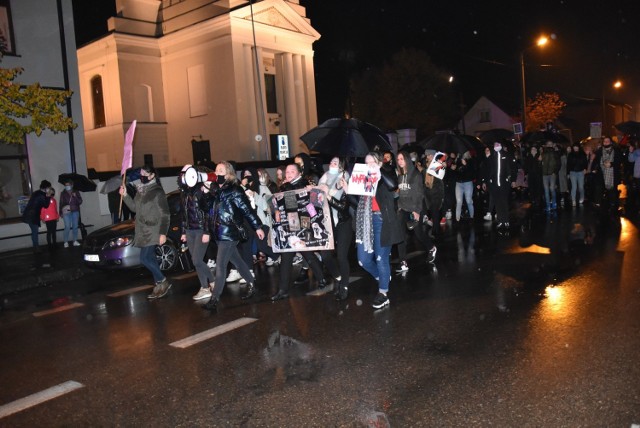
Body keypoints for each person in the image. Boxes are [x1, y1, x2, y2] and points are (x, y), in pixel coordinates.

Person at [202, 161, 265, 311]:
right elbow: (205, 209)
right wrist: (206, 193)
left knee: (221, 265)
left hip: (230, 232)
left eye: (221, 170)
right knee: (237, 260)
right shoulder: (215, 190)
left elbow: (246, 210)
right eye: (216, 170)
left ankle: (215, 298)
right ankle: (252, 283)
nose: (217, 173)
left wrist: (258, 227)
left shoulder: (235, 190)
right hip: (218, 233)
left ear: (229, 174)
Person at [346, 152, 403, 309]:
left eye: (372, 162)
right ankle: (381, 276)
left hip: (382, 222)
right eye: (366, 162)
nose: (369, 164)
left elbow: (393, 185)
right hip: (366, 222)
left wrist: (379, 173)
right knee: (363, 260)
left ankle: (383, 293)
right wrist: (348, 189)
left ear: (379, 163)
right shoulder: (364, 180)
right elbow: (356, 203)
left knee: (381, 258)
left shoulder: (385, 176)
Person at [271, 163, 328, 301]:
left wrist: (313, 192)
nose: (288, 174)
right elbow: (276, 205)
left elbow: (316, 206)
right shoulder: (283, 187)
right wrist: (276, 211)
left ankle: (321, 279)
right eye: (287, 171)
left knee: (308, 254)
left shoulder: (306, 184)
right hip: (288, 225)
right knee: (286, 258)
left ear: (299, 173)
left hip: (303, 224)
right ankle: (283, 290)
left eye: (292, 171)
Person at [119, 165, 172, 300]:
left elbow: (165, 214)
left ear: (152, 175)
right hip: (142, 230)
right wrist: (125, 195)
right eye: (141, 173)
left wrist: (163, 233)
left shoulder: (157, 191)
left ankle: (163, 280)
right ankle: (158, 285)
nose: (141, 175)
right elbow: (134, 208)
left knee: (144, 258)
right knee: (151, 258)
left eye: (144, 173)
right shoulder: (140, 190)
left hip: (153, 229)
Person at [317, 156, 353, 301]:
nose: (332, 163)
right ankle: (338, 277)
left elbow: (344, 206)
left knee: (341, 256)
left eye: (336, 162)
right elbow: (316, 203)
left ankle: (344, 286)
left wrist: (329, 195)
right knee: (325, 255)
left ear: (341, 166)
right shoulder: (323, 178)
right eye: (331, 161)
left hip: (343, 221)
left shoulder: (344, 179)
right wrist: (314, 191)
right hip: (327, 222)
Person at [395, 150, 435, 273]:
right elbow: (401, 193)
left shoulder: (416, 175)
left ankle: (431, 248)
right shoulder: (400, 176)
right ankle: (403, 262)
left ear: (406, 159)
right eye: (398, 159)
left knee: (419, 234)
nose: (400, 161)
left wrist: (416, 211)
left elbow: (419, 194)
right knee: (400, 235)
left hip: (415, 208)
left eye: (402, 159)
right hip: (403, 208)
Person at [179, 168, 216, 301]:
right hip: (190, 231)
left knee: (196, 260)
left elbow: (207, 213)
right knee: (198, 262)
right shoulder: (184, 192)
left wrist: (207, 231)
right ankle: (205, 287)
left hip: (201, 230)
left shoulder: (200, 191)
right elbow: (183, 214)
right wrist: (183, 231)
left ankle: (211, 282)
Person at [484, 142, 516, 229]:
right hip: (494, 183)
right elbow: (488, 169)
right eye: (494, 145)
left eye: (498, 145)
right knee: (497, 202)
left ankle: (506, 220)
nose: (496, 146)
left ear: (501, 146)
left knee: (504, 201)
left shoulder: (506, 155)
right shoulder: (492, 156)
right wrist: (488, 181)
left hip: (504, 183)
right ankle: (500, 220)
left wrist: (512, 179)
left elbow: (512, 168)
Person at [21, 180, 52, 253]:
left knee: (34, 232)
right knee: (35, 232)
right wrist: (48, 196)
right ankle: (36, 248)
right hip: (32, 216)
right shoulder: (41, 195)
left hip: (29, 215)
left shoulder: (36, 192)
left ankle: (36, 247)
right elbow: (46, 205)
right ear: (46, 188)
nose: (49, 189)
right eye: (49, 188)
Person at [452, 150, 476, 222]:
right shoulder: (457, 160)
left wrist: (466, 165)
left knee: (468, 201)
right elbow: (455, 173)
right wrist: (453, 169)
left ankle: (472, 217)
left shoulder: (470, 160)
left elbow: (473, 173)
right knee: (459, 201)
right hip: (458, 183)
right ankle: (457, 219)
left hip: (468, 183)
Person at [59, 179, 83, 247]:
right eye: (65, 185)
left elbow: (80, 201)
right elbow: (61, 203)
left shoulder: (76, 192)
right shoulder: (63, 193)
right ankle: (65, 242)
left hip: (75, 211)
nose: (67, 186)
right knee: (67, 226)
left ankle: (75, 241)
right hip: (66, 212)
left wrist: (75, 196)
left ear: (72, 185)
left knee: (75, 226)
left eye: (68, 185)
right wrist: (60, 213)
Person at [540, 140, 559, 212]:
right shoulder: (543, 153)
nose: (550, 145)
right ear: (546, 145)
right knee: (546, 190)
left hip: (552, 174)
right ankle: (548, 206)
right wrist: (540, 160)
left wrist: (555, 172)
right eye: (548, 144)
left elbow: (558, 163)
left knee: (552, 188)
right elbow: (541, 164)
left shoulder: (555, 153)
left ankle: (554, 203)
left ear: (553, 145)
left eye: (551, 144)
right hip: (544, 174)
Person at [40, 186, 59, 251]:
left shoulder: (54, 200)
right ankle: (49, 245)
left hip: (54, 218)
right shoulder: (44, 200)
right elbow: (42, 210)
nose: (52, 193)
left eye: (53, 192)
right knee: (49, 232)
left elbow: (55, 209)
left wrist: (57, 216)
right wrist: (42, 217)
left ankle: (54, 244)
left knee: (54, 232)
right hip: (48, 219)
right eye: (51, 192)